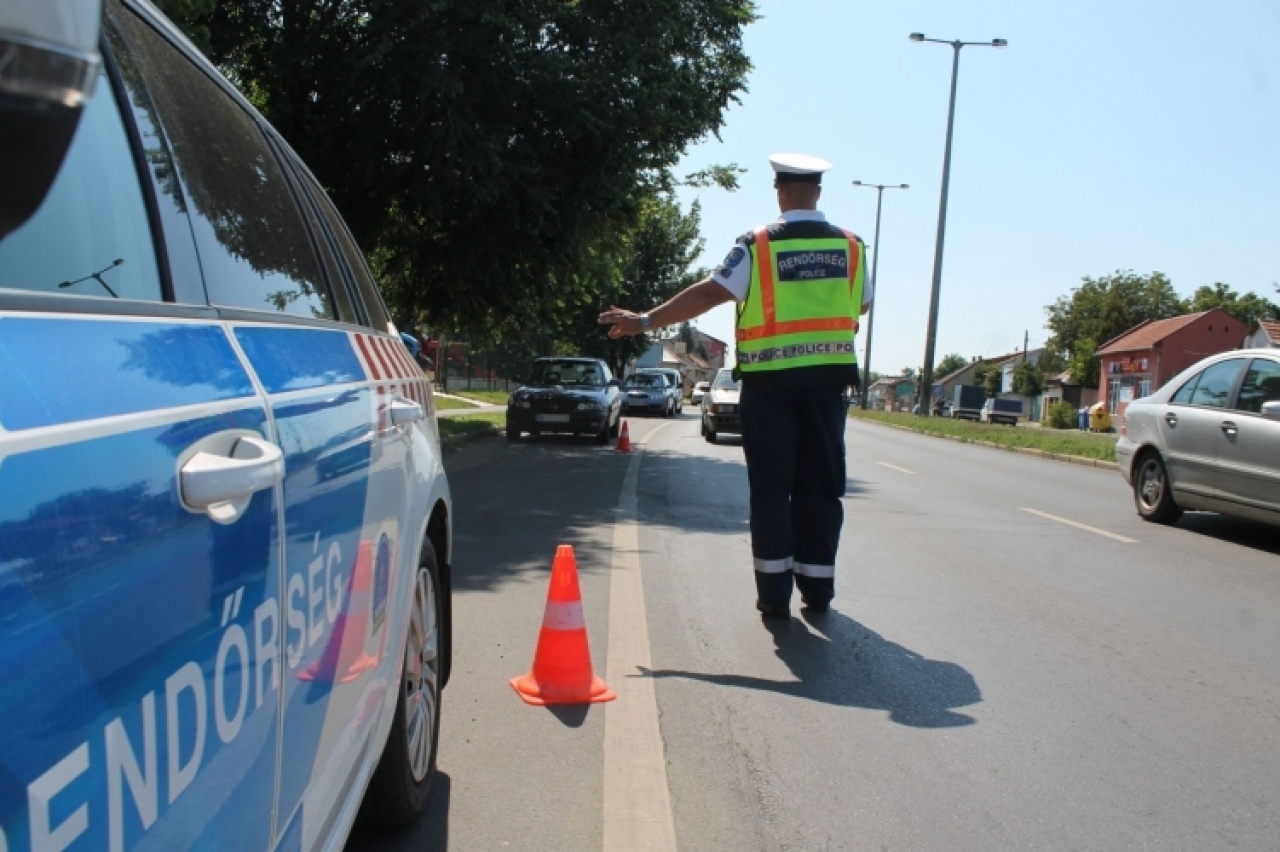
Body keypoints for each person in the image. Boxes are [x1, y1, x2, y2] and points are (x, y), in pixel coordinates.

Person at [598, 153, 871, 620]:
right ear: (818, 193)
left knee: (771, 489)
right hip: (828, 389)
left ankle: (773, 596)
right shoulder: (851, 246)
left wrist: (644, 320)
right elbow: (860, 308)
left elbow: (709, 292)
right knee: (821, 488)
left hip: (769, 388)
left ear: (779, 191)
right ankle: (818, 592)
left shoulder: (759, 245)